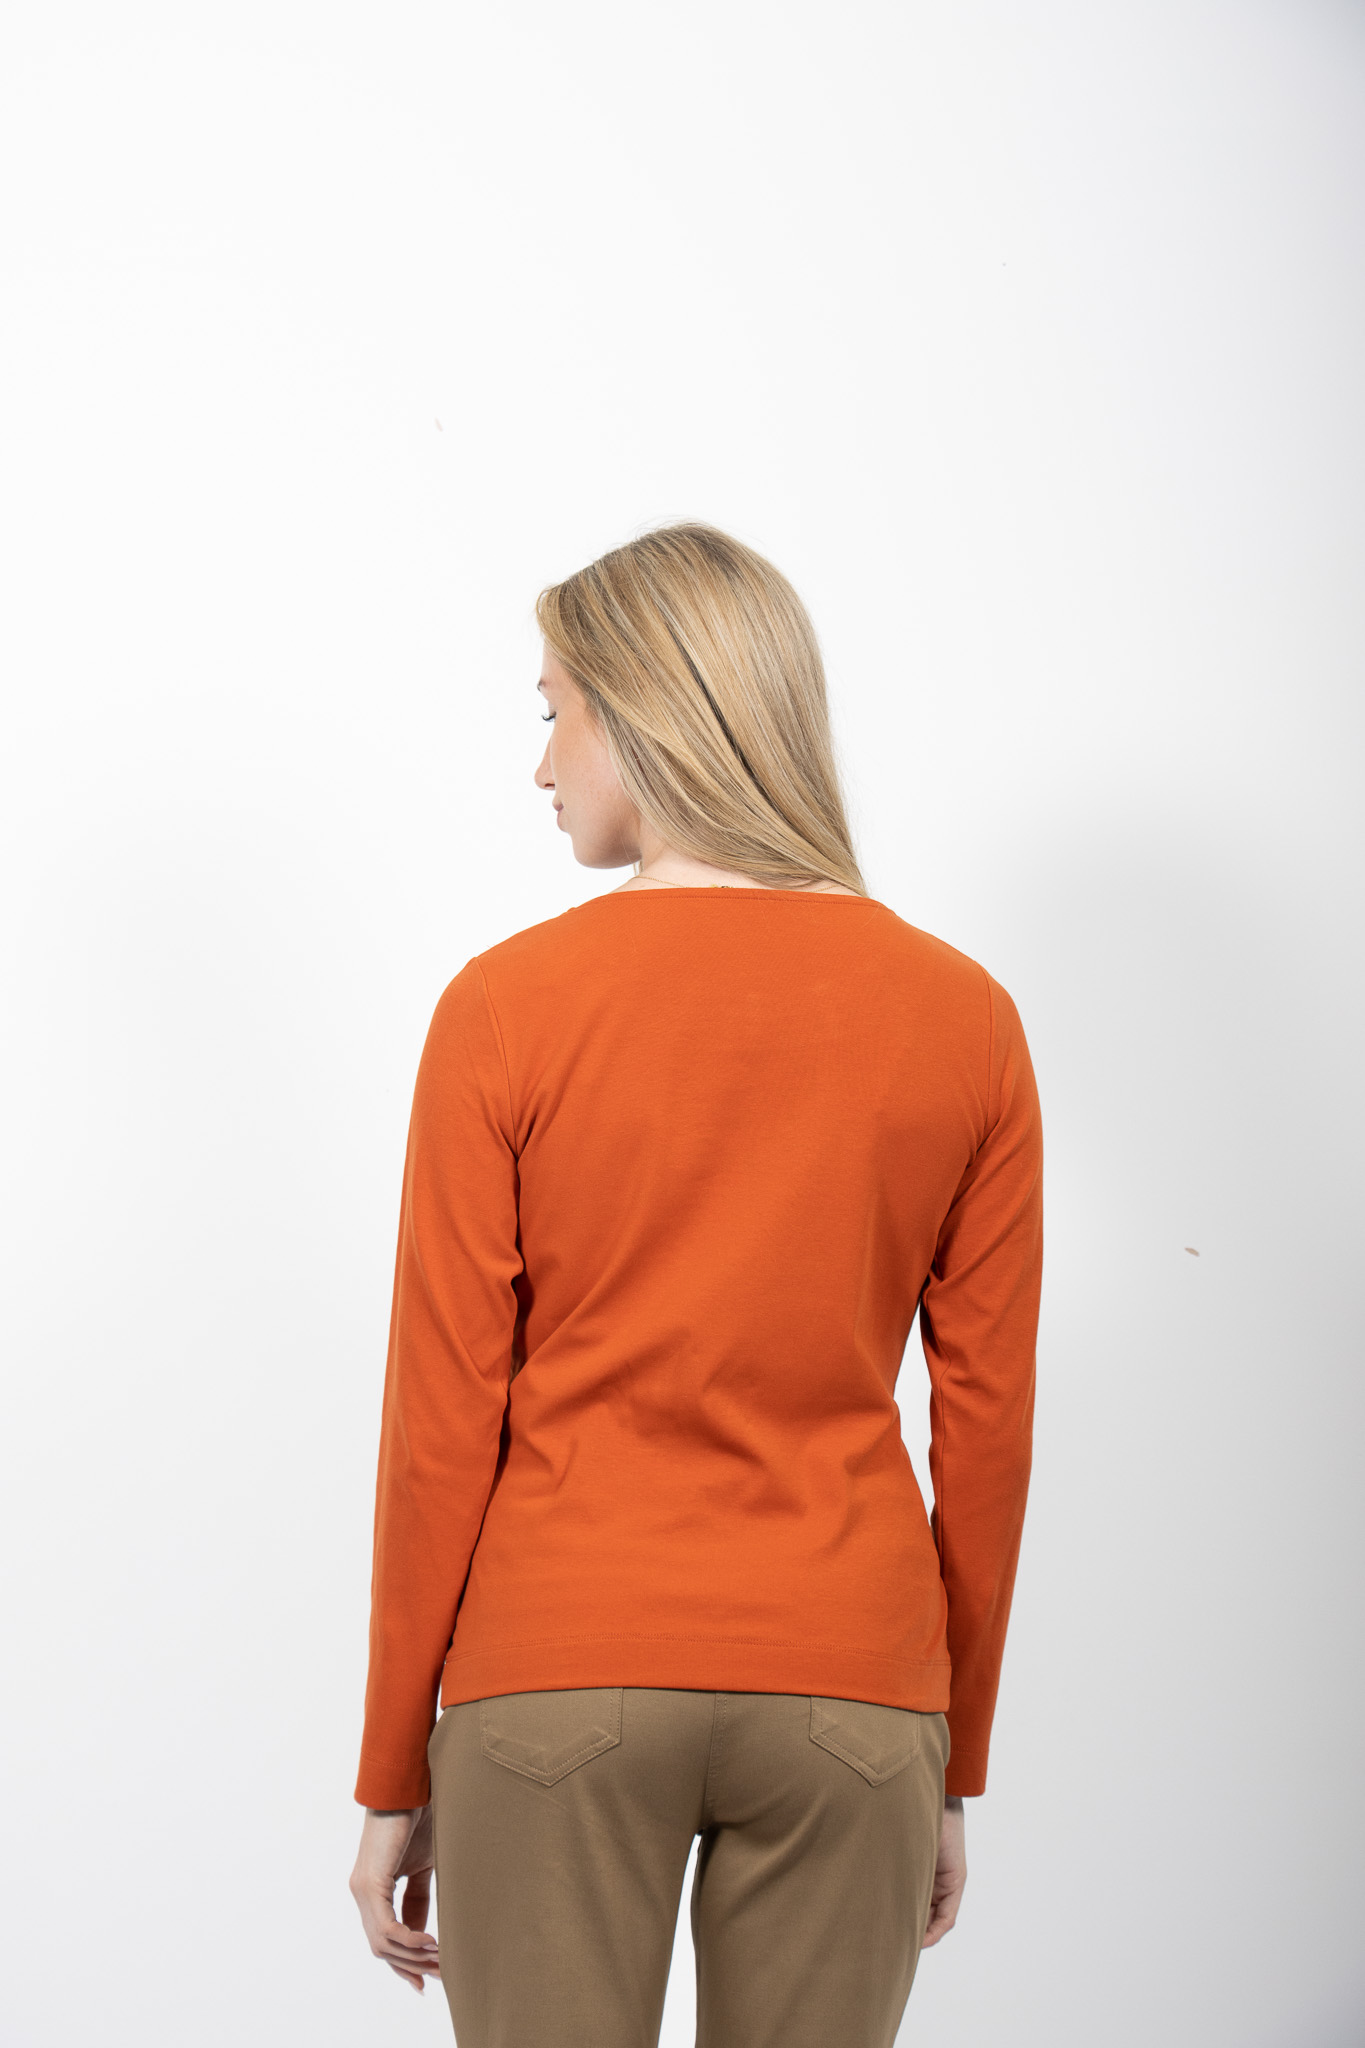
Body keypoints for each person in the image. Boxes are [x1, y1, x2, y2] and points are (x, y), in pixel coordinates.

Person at [348, 523, 1043, 2048]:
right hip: (852, 1687)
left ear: (637, 712)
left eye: (552, 713)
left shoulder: (504, 1009)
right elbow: (985, 1435)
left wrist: (394, 1764)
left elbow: (440, 1422)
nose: (540, 767)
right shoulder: (966, 1020)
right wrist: (953, 1757)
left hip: (556, 1670)